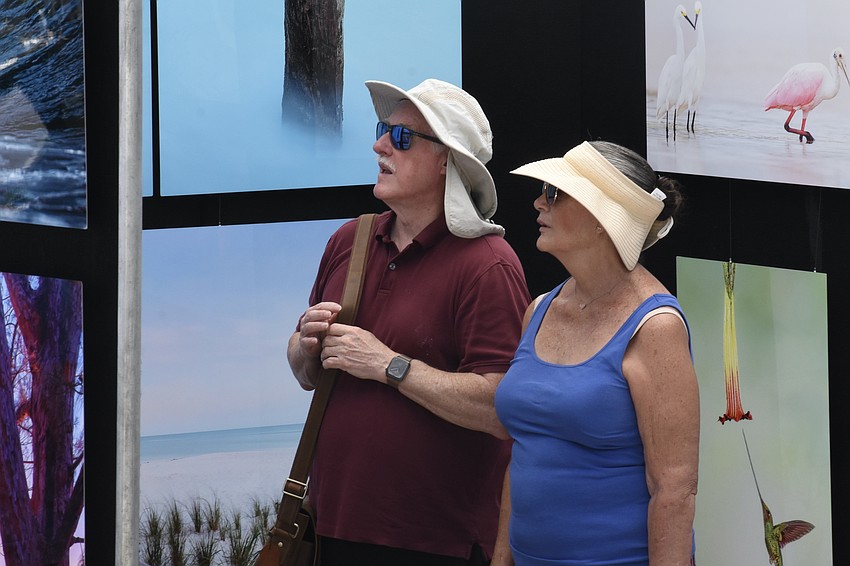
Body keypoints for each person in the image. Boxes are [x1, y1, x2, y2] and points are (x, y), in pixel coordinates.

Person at [287, 78, 531, 566]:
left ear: (448, 161)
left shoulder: (488, 265)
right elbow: (304, 373)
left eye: (401, 137)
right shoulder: (348, 240)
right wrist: (306, 345)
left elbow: (501, 409)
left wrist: (388, 365)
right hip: (332, 530)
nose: (379, 145)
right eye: (383, 130)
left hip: (437, 545)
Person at [492, 140, 700, 566]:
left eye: (554, 193)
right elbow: (524, 452)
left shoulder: (655, 327)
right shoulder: (539, 310)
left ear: (602, 218)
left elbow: (674, 491)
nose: (537, 202)